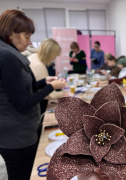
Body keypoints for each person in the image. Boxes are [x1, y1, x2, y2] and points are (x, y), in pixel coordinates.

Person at [0, 9, 67, 180]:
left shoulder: (9, 54)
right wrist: (51, 87)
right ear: (10, 33)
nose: (30, 43)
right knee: (21, 174)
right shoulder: (7, 56)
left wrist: (43, 82)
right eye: (27, 36)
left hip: (16, 132)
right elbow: (23, 101)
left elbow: (20, 89)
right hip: (17, 136)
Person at [28, 38, 68, 113]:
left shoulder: (34, 57)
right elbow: (46, 94)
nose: (54, 58)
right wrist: (64, 94)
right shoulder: (38, 65)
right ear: (49, 53)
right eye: (54, 55)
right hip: (38, 107)